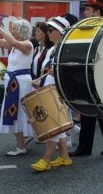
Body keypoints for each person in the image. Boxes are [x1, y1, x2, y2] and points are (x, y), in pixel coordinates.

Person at [69, 0, 103, 157]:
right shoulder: (87, 27)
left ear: (97, 11)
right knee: (88, 109)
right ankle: (85, 147)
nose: (84, 12)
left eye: (88, 9)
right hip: (88, 72)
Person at [30, 16, 73, 172]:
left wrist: (57, 72)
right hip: (50, 89)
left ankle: (46, 159)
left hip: (59, 91)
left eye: (51, 30)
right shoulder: (54, 49)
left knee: (54, 125)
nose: (48, 33)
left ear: (60, 32)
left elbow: (69, 72)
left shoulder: (65, 48)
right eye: (48, 30)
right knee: (57, 124)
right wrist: (40, 82)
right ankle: (65, 157)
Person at [0, 18, 34, 156]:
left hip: (21, 82)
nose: (12, 31)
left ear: (21, 30)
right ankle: (22, 143)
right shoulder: (15, 46)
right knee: (15, 113)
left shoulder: (27, 45)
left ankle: (21, 145)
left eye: (14, 29)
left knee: (19, 113)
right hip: (14, 82)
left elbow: (14, 42)